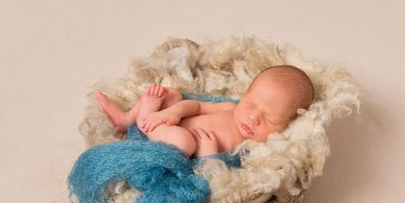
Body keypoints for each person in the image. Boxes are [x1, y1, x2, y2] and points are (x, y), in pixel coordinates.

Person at [96, 65, 314, 158]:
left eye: (268, 119)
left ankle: (144, 122)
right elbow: (198, 106)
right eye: (250, 105)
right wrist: (172, 113)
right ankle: (127, 120)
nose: (253, 117)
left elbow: (222, 178)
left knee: (185, 142)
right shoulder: (230, 107)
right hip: (168, 121)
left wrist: (209, 156)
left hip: (176, 141)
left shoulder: (255, 150)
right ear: (244, 95)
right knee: (172, 94)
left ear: (287, 127)